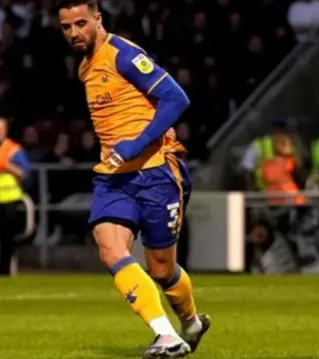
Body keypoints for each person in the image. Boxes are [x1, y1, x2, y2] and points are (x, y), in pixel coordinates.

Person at [56, 1, 210, 358]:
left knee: (162, 268)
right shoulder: (85, 67)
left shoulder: (123, 55)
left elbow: (175, 97)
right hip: (113, 177)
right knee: (109, 248)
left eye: (81, 23)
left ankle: (191, 321)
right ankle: (167, 336)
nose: (74, 33)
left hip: (156, 171)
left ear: (98, 19)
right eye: (66, 27)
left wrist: (134, 144)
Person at [0, 116, 30, 276]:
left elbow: (25, 174)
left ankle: (5, 272)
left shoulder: (13, 150)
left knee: (6, 240)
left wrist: (8, 167)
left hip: (9, 199)